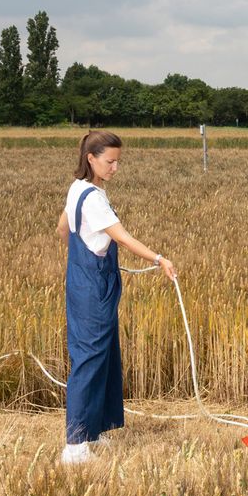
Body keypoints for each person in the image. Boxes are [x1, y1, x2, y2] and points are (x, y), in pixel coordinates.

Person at [56, 130, 178, 465]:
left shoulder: (78, 188)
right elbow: (122, 238)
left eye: (118, 162)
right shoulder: (93, 197)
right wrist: (158, 259)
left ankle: (94, 432)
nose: (115, 168)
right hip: (94, 288)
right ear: (91, 158)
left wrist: (89, 249)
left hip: (84, 281)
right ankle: (75, 446)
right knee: (89, 360)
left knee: (104, 355)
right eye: (110, 162)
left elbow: (62, 229)